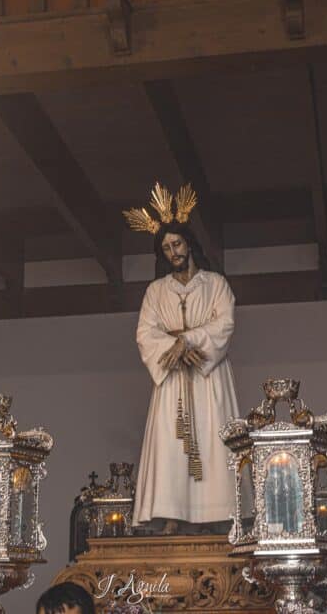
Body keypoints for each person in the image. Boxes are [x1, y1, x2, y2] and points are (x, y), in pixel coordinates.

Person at [123, 183, 240, 533]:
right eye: (166, 248)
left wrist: (188, 341)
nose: (173, 251)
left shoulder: (215, 284)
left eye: (177, 244)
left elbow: (225, 323)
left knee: (213, 438)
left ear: (189, 244)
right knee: (172, 445)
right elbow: (145, 333)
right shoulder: (156, 291)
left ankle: (215, 513)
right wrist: (174, 350)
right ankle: (172, 514)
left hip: (208, 375)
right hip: (173, 376)